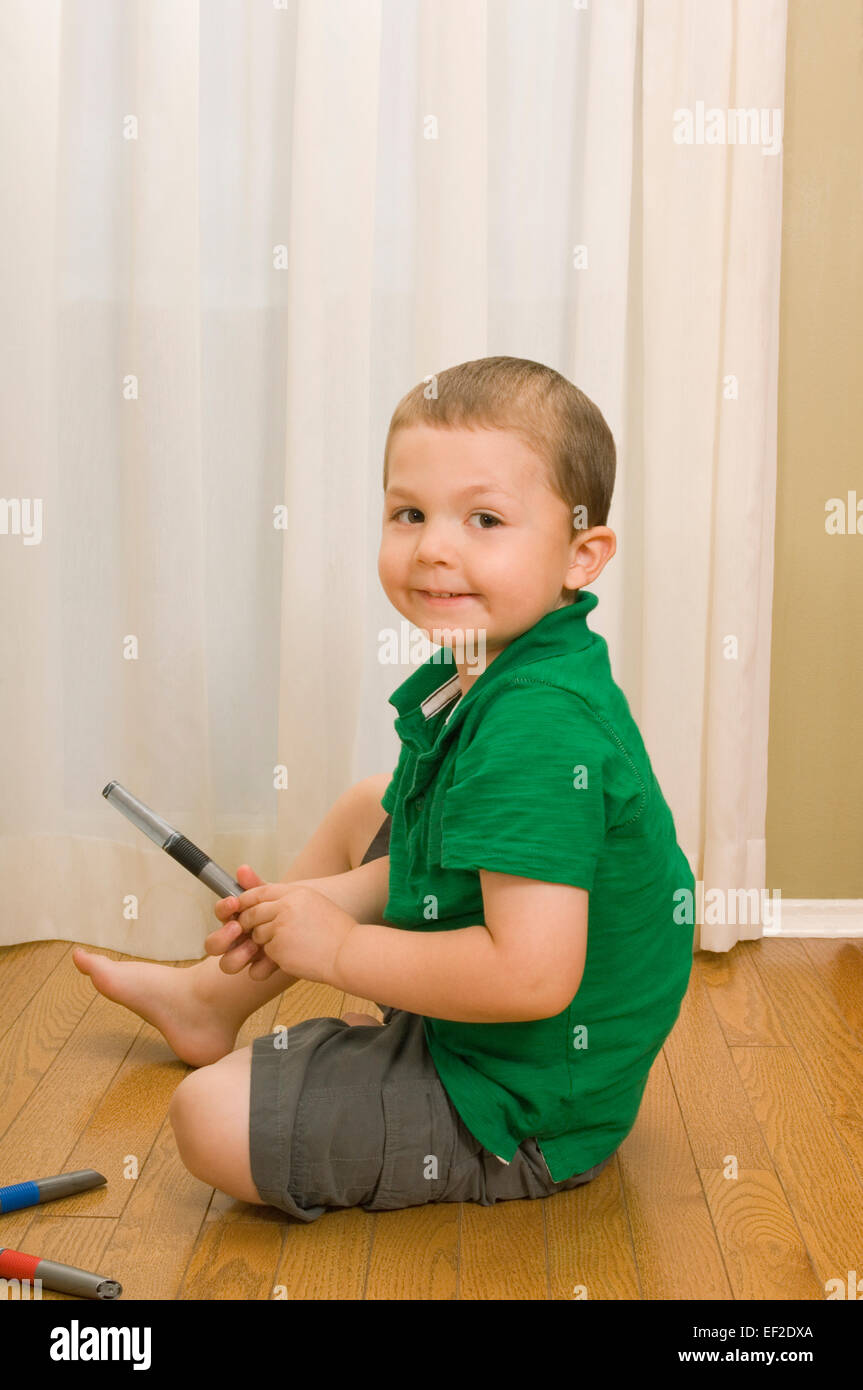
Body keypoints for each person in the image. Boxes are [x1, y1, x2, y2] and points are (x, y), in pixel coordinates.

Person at [73, 355, 695, 1221]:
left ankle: (406, 1077)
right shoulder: (485, 665)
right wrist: (305, 908)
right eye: (409, 513)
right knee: (373, 802)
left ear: (580, 555)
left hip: (519, 1099)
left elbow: (531, 980)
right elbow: (421, 847)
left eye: (484, 518)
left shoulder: (536, 728)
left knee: (207, 1117)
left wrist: (332, 948)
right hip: (504, 1028)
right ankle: (210, 1001)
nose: (433, 546)